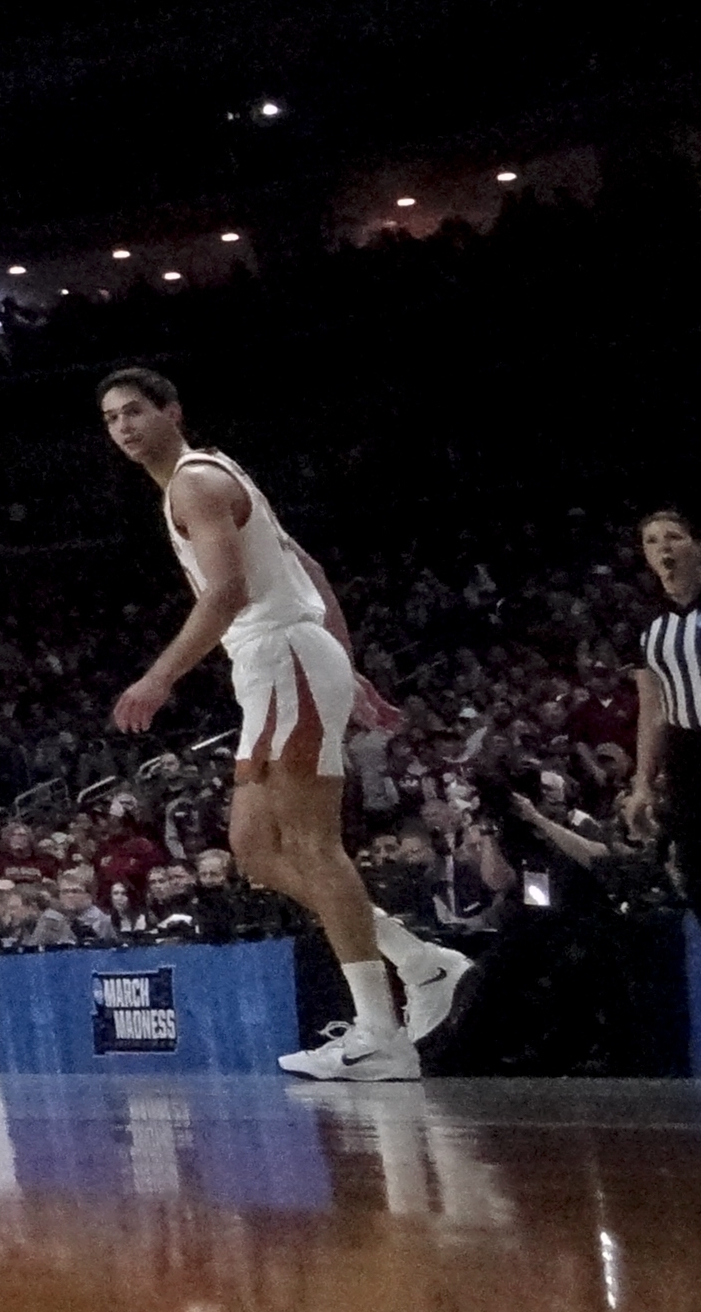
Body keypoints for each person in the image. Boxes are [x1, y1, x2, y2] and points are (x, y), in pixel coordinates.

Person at [98, 368, 472, 1079]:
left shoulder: (194, 484)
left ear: (173, 411)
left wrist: (159, 676)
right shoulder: (209, 476)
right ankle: (421, 965)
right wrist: (344, 663)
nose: (123, 426)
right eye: (112, 418)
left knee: (311, 843)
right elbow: (305, 562)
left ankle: (380, 1033)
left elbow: (229, 594)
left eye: (136, 411)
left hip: (281, 655)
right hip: (287, 660)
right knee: (255, 846)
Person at [632, 508, 699, 906]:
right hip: (686, 754)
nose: (663, 548)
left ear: (697, 546)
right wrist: (642, 784)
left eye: (673, 536)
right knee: (694, 872)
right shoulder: (649, 624)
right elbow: (652, 709)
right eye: (652, 541)